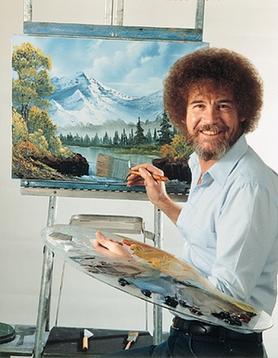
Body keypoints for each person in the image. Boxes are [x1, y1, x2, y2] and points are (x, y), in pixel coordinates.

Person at [93, 47, 278, 357]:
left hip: (219, 347)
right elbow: (209, 233)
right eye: (199, 105)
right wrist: (163, 202)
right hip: (189, 340)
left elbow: (228, 297)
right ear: (182, 114)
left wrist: (137, 265)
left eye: (223, 105)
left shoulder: (249, 185)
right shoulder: (206, 165)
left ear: (244, 111)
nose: (210, 118)